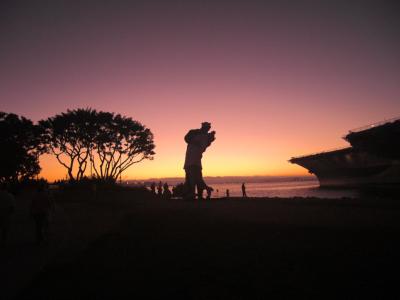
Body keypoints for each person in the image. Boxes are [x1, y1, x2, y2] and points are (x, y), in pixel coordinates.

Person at [183, 122, 216, 200]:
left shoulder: (204, 137)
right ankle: (199, 193)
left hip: (193, 161)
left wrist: (210, 136)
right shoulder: (198, 134)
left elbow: (187, 138)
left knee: (193, 178)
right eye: (207, 128)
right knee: (195, 178)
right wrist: (210, 136)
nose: (208, 130)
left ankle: (194, 194)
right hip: (193, 160)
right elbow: (187, 138)